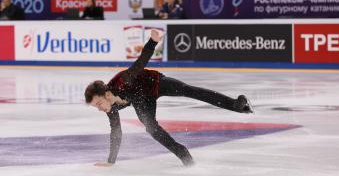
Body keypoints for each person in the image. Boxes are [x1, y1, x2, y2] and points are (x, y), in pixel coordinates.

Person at [84, 30, 253, 167]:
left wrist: (153, 41)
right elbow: (116, 132)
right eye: (96, 107)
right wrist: (110, 161)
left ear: (106, 94)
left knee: (189, 90)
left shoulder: (123, 80)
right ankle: (183, 154)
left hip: (154, 83)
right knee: (151, 128)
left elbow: (141, 63)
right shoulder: (110, 107)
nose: (100, 109)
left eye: (98, 104)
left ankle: (236, 105)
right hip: (142, 100)